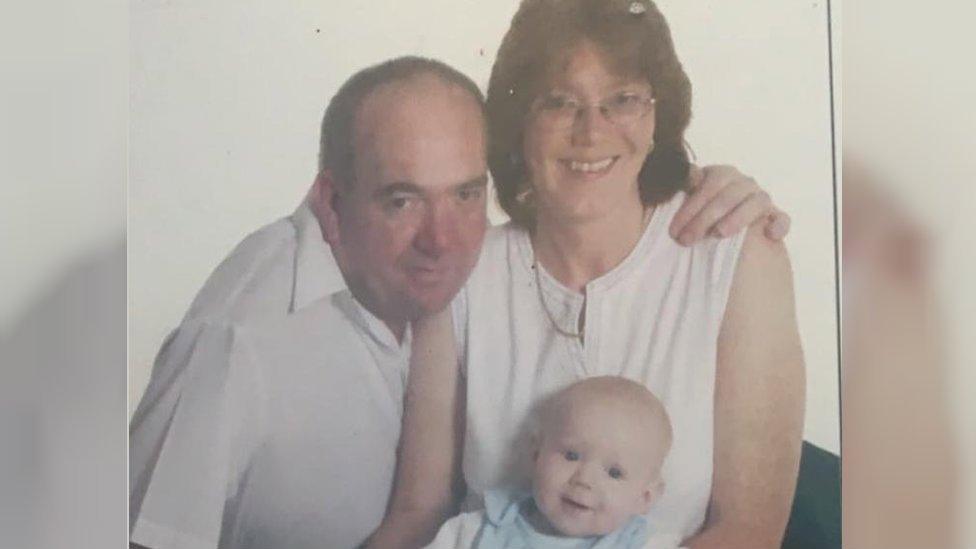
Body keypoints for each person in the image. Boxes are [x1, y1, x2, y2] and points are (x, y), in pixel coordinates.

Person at [129, 53, 787, 549]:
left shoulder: (457, 286)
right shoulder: (239, 335)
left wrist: (686, 177)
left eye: (466, 194)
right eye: (401, 199)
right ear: (332, 202)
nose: (442, 240)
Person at [382, 1, 806, 548]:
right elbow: (418, 512)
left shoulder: (735, 254)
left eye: (622, 100)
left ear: (659, 116)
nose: (591, 132)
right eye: (558, 102)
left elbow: (750, 532)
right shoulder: (466, 270)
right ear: (518, 123)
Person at [425, 377, 676, 549]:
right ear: (536, 455)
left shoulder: (644, 544)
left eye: (614, 473)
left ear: (645, 497)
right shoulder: (475, 531)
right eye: (571, 456)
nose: (584, 480)